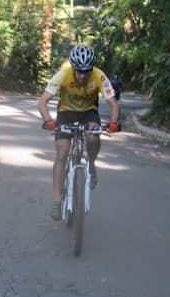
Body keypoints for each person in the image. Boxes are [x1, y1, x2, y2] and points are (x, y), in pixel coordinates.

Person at [38, 44, 120, 220]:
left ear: (92, 69)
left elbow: (113, 103)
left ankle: (91, 163)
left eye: (87, 71)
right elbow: (43, 101)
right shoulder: (63, 74)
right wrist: (49, 121)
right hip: (66, 113)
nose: (83, 76)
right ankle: (57, 201)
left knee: (93, 137)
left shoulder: (99, 75)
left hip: (89, 113)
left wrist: (113, 123)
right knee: (62, 152)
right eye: (79, 71)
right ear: (73, 67)